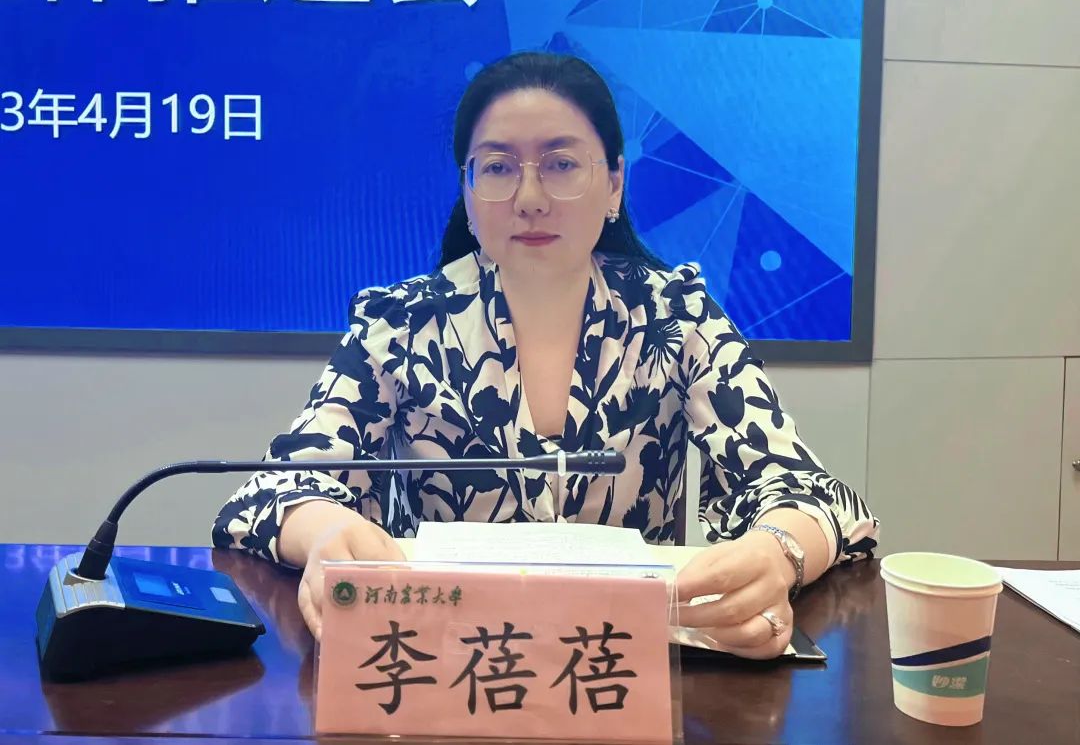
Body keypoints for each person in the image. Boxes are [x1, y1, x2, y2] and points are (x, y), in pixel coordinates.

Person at [213, 52, 879, 658]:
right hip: (444, 666)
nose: (529, 199)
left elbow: (815, 496)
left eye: (561, 165)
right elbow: (272, 492)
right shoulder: (403, 323)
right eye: (498, 168)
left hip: (624, 667)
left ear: (614, 184)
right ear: (468, 192)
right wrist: (323, 528)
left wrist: (777, 550)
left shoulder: (675, 316)